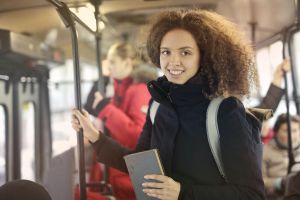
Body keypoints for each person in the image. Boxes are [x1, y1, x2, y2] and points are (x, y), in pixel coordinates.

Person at [72, 10, 265, 199]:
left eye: (185, 53)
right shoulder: (158, 105)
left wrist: (182, 193)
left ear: (204, 57)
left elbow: (251, 193)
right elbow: (138, 162)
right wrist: (94, 136)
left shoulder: (224, 110)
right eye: (166, 52)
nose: (173, 61)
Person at [83, 42, 158, 200]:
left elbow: (136, 136)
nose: (108, 65)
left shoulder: (139, 90)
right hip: (114, 168)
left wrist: (106, 109)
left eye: (112, 61)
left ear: (127, 62)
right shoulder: (120, 88)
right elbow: (89, 106)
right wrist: (103, 77)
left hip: (124, 172)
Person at [262, 114, 300, 200]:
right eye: (286, 130)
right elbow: (258, 181)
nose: (291, 135)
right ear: (276, 131)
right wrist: (279, 183)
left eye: (295, 131)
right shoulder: (264, 151)